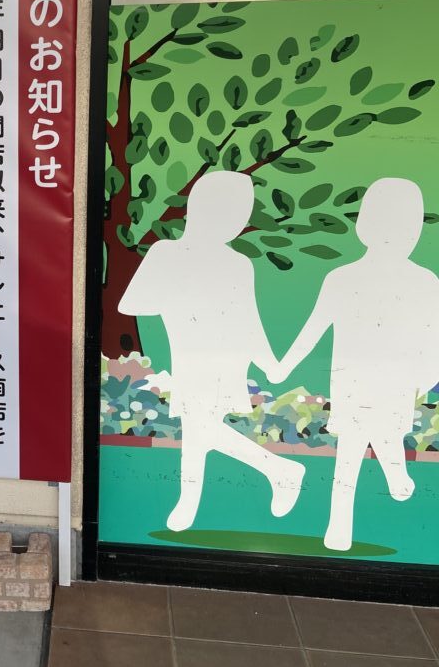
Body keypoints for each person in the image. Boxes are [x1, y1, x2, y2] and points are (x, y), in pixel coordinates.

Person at [119, 171, 305, 532]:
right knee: (198, 430)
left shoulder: (238, 264)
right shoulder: (166, 252)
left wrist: (269, 363)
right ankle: (279, 471)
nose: (235, 223)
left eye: (240, 214)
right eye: (231, 212)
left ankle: (194, 502)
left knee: (198, 428)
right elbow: (131, 303)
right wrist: (181, 292)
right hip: (189, 354)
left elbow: (249, 319)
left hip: (224, 359)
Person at [270, 178, 439, 551]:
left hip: (392, 383)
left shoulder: (423, 281)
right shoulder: (344, 279)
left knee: (383, 437)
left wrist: (428, 376)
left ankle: (395, 474)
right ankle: (340, 523)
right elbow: (313, 330)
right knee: (351, 450)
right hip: (356, 383)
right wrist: (283, 366)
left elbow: (434, 336)